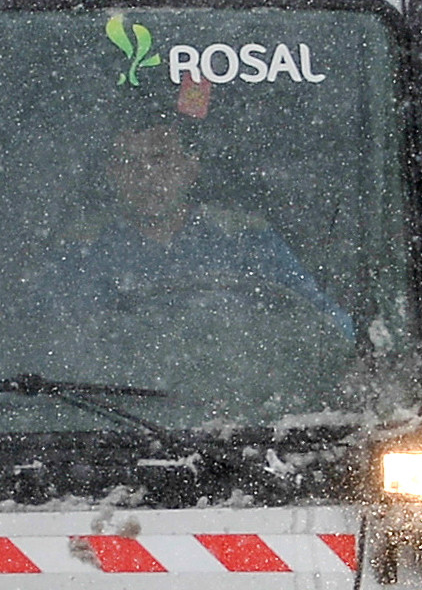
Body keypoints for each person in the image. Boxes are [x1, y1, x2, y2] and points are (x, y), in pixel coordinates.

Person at [36, 112, 351, 411]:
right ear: (111, 173)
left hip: (246, 419)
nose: (145, 176)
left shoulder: (245, 240)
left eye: (160, 159)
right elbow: (57, 349)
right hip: (116, 422)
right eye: (128, 162)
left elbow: (324, 325)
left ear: (190, 167)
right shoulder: (81, 253)